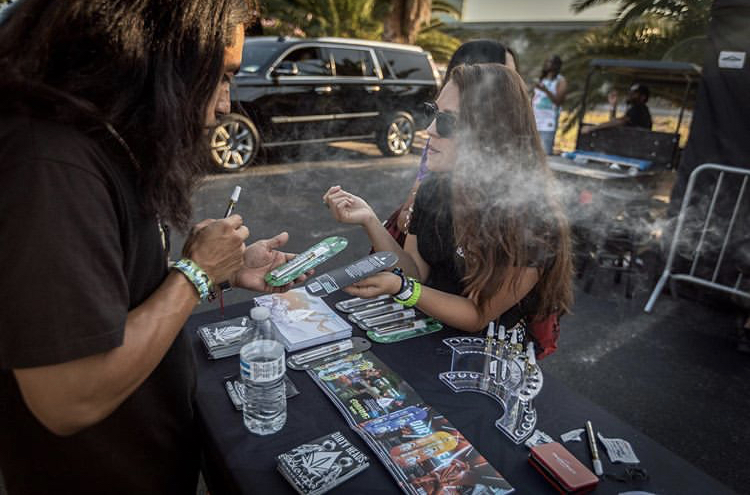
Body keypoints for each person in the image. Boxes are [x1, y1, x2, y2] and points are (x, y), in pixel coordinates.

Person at [0, 1, 306, 494]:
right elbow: (69, 397)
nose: (225, 104)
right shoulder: (52, 166)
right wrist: (195, 273)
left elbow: (112, 291)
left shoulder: (100, 143)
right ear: (160, 57)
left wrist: (222, 272)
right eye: (221, 76)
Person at [324, 64, 573, 343]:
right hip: (427, 334)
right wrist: (369, 220)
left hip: (486, 352)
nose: (429, 129)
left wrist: (402, 288)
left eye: (447, 122)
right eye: (433, 113)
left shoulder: (532, 217)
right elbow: (415, 271)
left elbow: (477, 315)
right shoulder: (435, 188)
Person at [385, 40, 512, 248]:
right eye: (506, 70)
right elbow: (407, 219)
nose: (429, 130)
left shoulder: (513, 200)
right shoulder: (436, 180)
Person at [532, 55, 567, 155]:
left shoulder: (560, 81)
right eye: (546, 61)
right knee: (532, 151)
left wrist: (545, 90)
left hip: (548, 121)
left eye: (550, 62)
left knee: (545, 152)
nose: (547, 64)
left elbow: (559, 101)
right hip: (535, 119)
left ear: (556, 65)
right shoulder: (541, 79)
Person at [583, 83, 652, 133]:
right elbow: (614, 121)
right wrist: (613, 106)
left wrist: (592, 128)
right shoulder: (636, 109)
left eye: (634, 94)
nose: (630, 95)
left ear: (643, 97)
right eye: (631, 92)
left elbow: (618, 122)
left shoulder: (639, 109)